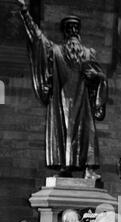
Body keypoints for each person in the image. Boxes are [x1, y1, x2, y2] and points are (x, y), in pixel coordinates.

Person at [16, 0, 108, 175]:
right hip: (62, 101)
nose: (73, 31)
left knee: (87, 132)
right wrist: (25, 13)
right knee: (63, 132)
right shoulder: (55, 51)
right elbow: (37, 39)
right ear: (65, 32)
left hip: (83, 104)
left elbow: (100, 76)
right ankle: (65, 166)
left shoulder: (88, 53)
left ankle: (89, 168)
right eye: (69, 28)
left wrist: (97, 77)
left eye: (76, 28)